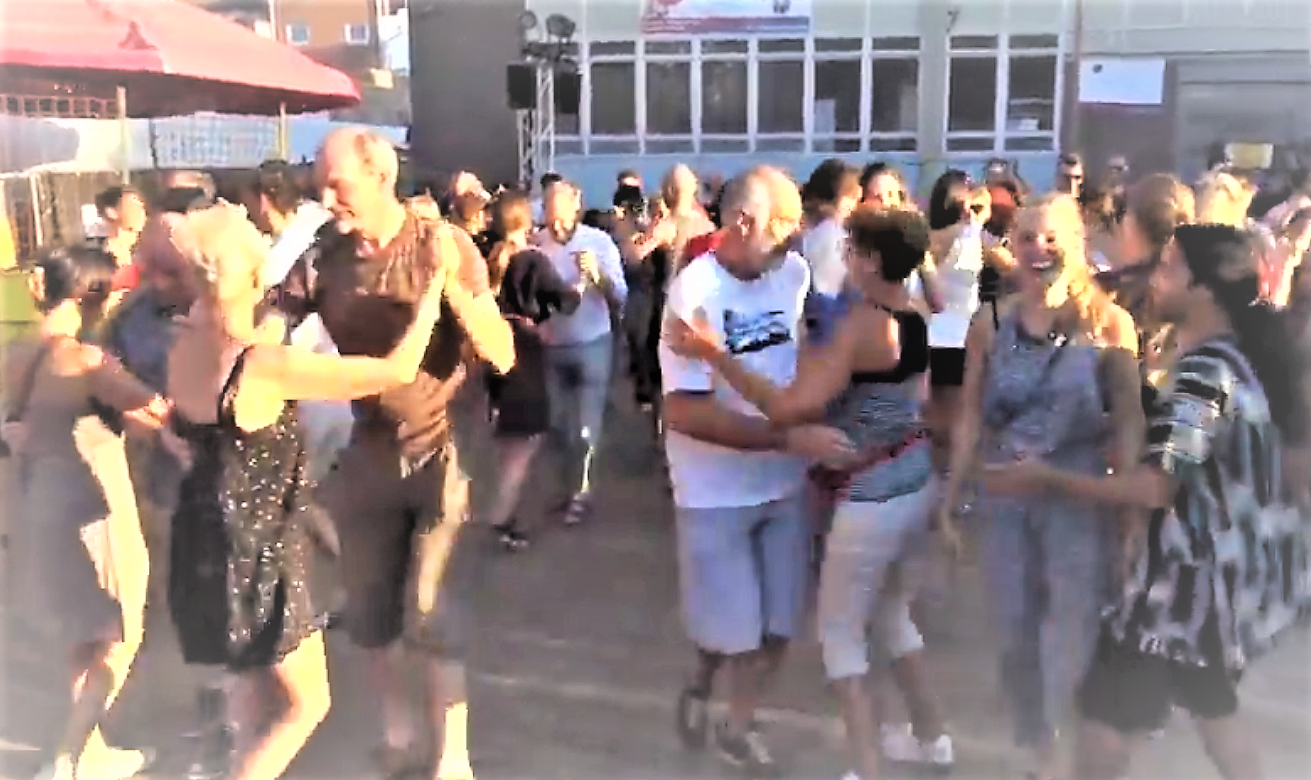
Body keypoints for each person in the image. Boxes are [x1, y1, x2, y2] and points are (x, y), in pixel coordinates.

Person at [984, 223, 1310, 780]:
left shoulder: (1205, 374)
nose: (1156, 280)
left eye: (1169, 268)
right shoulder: (1237, 357)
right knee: (1213, 715)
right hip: (1213, 589)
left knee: (1104, 735)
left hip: (1178, 593)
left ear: (1203, 288)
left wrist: (1046, 478)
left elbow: (1156, 486)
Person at [165, 203, 453, 780]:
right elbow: (396, 371)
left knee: (249, 694)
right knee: (305, 704)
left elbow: (184, 427)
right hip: (257, 547)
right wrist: (435, 290)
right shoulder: (265, 366)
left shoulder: (188, 347)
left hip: (201, 534)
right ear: (253, 274)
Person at [666, 207, 955, 780]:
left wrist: (714, 353)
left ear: (869, 261)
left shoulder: (862, 327)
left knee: (840, 636)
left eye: (850, 248)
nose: (841, 256)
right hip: (914, 477)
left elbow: (785, 409)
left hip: (871, 494)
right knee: (892, 615)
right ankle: (933, 738)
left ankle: (865, 770)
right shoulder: (916, 313)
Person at [289, 128, 512, 780]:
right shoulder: (323, 256)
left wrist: (449, 290)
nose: (326, 198)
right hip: (370, 448)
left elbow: (501, 352)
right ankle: (399, 734)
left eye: (338, 185)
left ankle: (451, 758)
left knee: (432, 609)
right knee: (369, 610)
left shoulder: (440, 244)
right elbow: (268, 327)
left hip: (447, 446)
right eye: (319, 186)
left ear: (381, 176)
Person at [940, 193, 1142, 780]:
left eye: (1052, 237)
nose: (1038, 249)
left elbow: (1129, 422)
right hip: (1004, 495)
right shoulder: (990, 322)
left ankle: (1059, 758)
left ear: (1077, 244)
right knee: (1014, 632)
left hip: (1076, 495)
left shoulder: (1109, 324)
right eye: (1027, 237)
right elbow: (969, 415)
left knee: (1071, 631)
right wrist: (952, 497)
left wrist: (1129, 514)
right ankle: (1039, 742)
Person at [661, 169, 853, 775]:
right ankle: (704, 677)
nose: (798, 234)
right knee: (735, 635)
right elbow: (683, 411)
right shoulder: (693, 292)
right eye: (786, 222)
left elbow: (809, 352)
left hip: (786, 486)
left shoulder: (794, 273)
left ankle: (736, 727)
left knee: (776, 630)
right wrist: (788, 437)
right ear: (744, 223)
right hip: (713, 493)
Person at [6, 244, 179, 780]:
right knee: (118, 633)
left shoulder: (16, 352)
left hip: (38, 500)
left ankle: (91, 747)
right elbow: (156, 412)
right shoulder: (86, 360)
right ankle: (70, 757)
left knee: (80, 635)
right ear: (94, 296)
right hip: (94, 506)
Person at [482, 190, 585, 550]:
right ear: (525, 220)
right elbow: (567, 301)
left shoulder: (491, 257)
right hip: (525, 353)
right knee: (525, 444)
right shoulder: (532, 261)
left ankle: (506, 513)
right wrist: (582, 281)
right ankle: (503, 516)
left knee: (509, 443)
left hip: (496, 349)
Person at [533, 179, 627, 525]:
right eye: (550, 219)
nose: (556, 226)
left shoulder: (598, 242)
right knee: (557, 427)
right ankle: (564, 489)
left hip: (592, 344)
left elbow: (620, 297)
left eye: (561, 218)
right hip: (550, 346)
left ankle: (579, 495)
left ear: (577, 205)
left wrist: (597, 275)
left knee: (585, 428)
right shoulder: (536, 245)